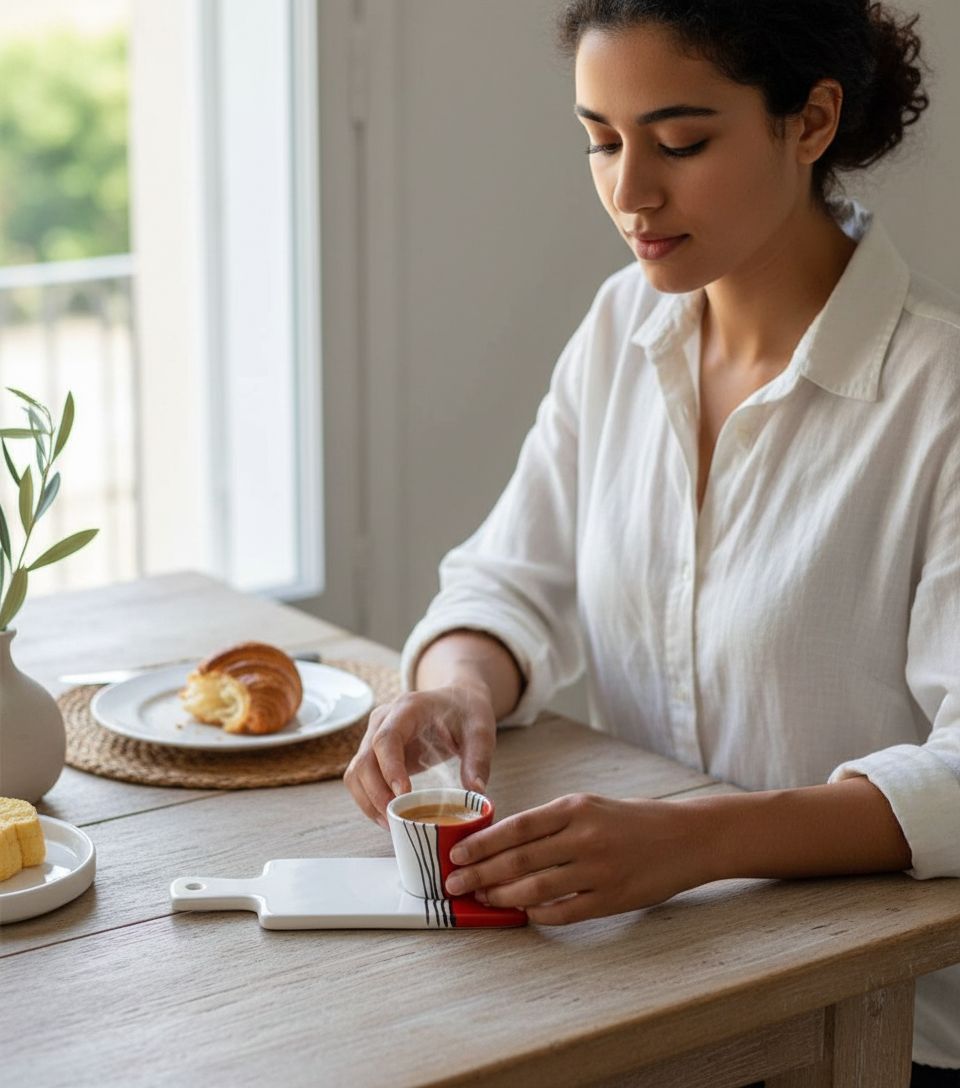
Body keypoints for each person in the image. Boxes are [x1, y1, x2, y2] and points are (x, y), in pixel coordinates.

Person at [344, 1, 960, 1080]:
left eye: (680, 142)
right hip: (650, 990)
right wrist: (456, 687)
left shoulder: (937, 396)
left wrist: (696, 840)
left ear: (812, 121)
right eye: (601, 140)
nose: (630, 191)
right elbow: (505, 579)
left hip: (882, 1027)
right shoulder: (621, 327)